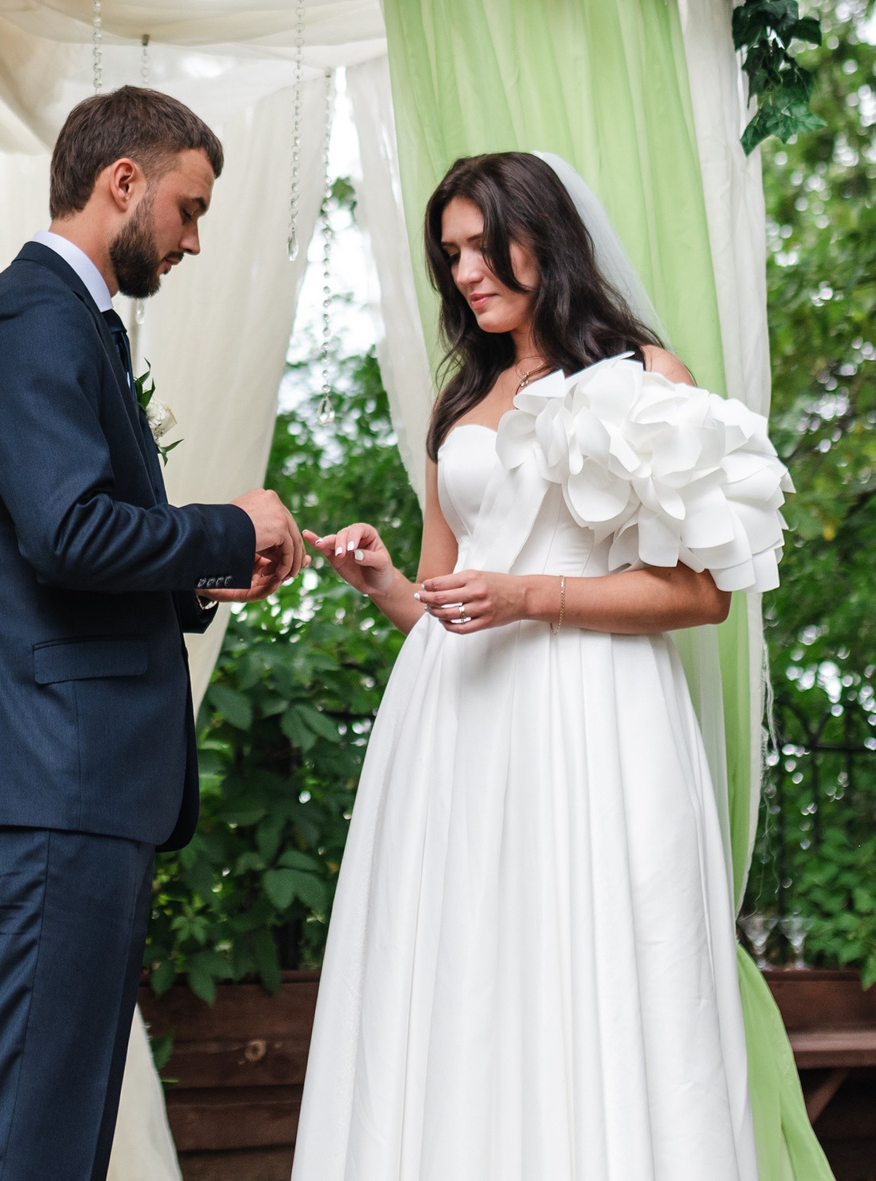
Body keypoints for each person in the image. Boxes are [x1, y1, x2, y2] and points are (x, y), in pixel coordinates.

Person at [292, 151, 788, 1181]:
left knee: (592, 961)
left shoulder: (648, 381)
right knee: (471, 970)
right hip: (458, 728)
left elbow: (700, 594)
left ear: (545, 235)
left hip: (595, 716)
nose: (466, 272)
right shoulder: (458, 402)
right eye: (450, 255)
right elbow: (442, 596)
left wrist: (529, 595)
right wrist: (385, 579)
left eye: (483, 244)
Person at [0, 86, 305, 1181]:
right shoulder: (35, 319)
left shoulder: (67, 322)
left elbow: (73, 538)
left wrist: (214, 572)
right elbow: (69, 532)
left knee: (62, 1112)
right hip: (54, 772)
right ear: (121, 182)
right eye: (188, 207)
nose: (192, 239)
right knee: (39, 1124)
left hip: (70, 776)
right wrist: (230, 524)